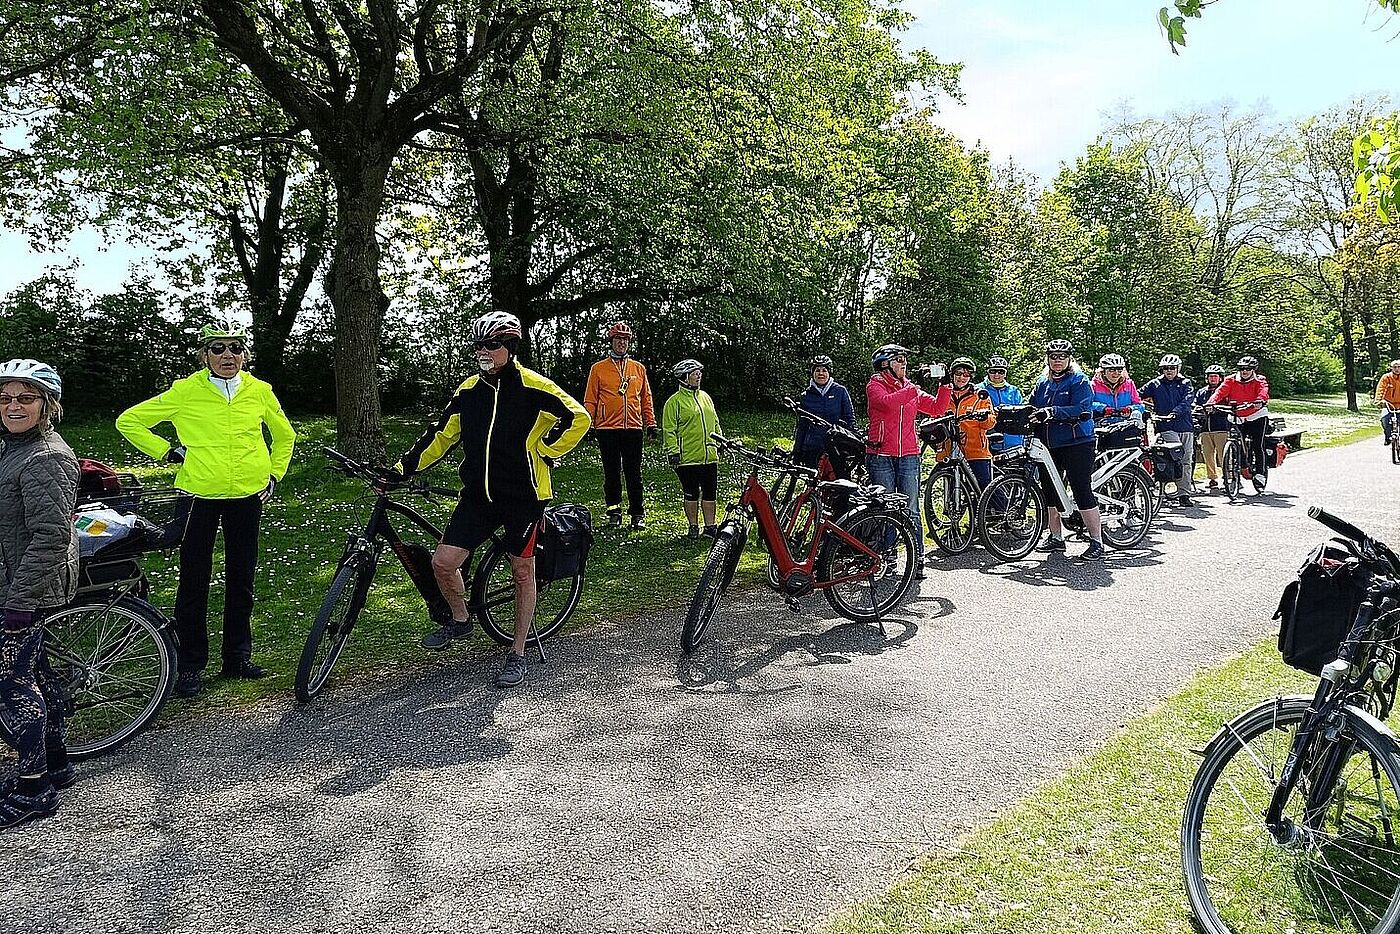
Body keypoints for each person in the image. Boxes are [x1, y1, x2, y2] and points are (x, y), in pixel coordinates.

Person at [391, 311, 589, 689]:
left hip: (523, 498)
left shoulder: (534, 387)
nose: (484, 351)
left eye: (492, 345)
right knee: (443, 562)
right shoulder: (469, 390)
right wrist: (403, 469)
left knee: (521, 571)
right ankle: (462, 620)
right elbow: (440, 436)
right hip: (478, 496)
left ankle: (516, 652)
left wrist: (548, 448)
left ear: (509, 349)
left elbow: (578, 417)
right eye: (479, 345)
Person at [116, 320, 296, 698]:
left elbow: (284, 435)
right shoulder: (186, 391)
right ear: (204, 356)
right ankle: (190, 665)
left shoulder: (259, 390)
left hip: (247, 495)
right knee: (194, 580)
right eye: (218, 348)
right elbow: (129, 420)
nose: (227, 355)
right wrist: (167, 451)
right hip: (197, 494)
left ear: (244, 355)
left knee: (242, 579)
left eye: (234, 348)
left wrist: (273, 475)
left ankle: (237, 658)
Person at [0, 360, 78, 830]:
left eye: (25, 398)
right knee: (37, 674)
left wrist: (18, 603)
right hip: (15, 579)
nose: (13, 406)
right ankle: (57, 762)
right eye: (5, 398)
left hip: (28, 586)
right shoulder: (12, 447)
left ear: (47, 405)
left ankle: (34, 787)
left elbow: (49, 536)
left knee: (12, 686)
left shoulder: (45, 457)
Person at [865, 343, 951, 576]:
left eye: (905, 359)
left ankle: (917, 558)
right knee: (885, 508)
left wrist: (945, 385)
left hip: (909, 455)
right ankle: (888, 558)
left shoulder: (909, 387)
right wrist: (912, 389)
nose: (904, 363)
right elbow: (886, 403)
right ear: (885, 364)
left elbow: (936, 408)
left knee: (911, 508)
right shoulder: (875, 384)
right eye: (899, 359)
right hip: (881, 454)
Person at [1028, 339, 1104, 561]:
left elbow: (1081, 407)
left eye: (1062, 356)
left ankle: (1097, 541)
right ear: (1048, 359)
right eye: (1053, 356)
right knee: (1050, 492)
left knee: (1081, 490)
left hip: (1077, 441)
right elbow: (1032, 405)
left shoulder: (1079, 380)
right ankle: (1056, 537)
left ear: (1069, 358)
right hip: (1049, 443)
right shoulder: (1043, 382)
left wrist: (1051, 412)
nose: (1057, 360)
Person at [583, 321, 657, 529]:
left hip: (633, 428)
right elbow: (591, 399)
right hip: (607, 429)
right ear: (611, 342)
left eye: (625, 340)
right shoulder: (598, 369)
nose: (621, 343)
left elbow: (646, 398)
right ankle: (614, 511)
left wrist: (650, 423)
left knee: (634, 473)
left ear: (629, 343)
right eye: (618, 340)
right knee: (611, 473)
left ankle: (637, 513)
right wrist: (589, 424)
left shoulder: (638, 369)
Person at [661, 359, 721, 540]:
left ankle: (710, 527)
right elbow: (669, 429)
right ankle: (693, 526)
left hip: (709, 456)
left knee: (710, 493)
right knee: (692, 493)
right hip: (687, 457)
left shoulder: (705, 397)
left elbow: (715, 421)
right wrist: (673, 452)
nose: (699, 376)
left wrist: (721, 441)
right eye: (695, 373)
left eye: (699, 373)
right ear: (684, 377)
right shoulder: (674, 402)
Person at [1139, 354, 1196, 506]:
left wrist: (1175, 412)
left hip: (1184, 425)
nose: (1169, 371)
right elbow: (1137, 395)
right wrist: (1142, 409)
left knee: (1186, 460)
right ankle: (1162, 489)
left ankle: (1184, 494)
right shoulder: (1155, 384)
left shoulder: (1185, 383)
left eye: (1172, 368)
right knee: (1175, 455)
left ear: (1178, 368)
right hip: (1165, 427)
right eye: (1165, 368)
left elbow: (1187, 401)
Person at [1208, 355, 1271, 478]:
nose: (1245, 371)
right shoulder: (1230, 380)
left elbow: (1263, 391)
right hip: (1237, 415)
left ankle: (1260, 473)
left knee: (1257, 444)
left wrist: (1259, 400)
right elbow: (1220, 392)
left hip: (1256, 415)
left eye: (1248, 369)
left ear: (1253, 370)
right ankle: (1242, 466)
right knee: (1236, 442)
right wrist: (1211, 403)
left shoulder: (1259, 380)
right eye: (1242, 369)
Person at [792, 355, 855, 469]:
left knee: (840, 481)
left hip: (836, 446)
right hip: (813, 446)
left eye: (824, 370)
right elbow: (802, 426)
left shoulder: (840, 391)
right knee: (813, 483)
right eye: (817, 370)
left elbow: (849, 418)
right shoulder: (805, 396)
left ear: (829, 372)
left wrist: (850, 444)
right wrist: (797, 451)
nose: (821, 373)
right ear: (812, 373)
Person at [946, 357, 996, 489]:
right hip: (951, 451)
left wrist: (984, 417)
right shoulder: (945, 394)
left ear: (971, 377)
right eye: (958, 373)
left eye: (966, 374)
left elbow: (991, 422)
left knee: (985, 488)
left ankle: (1002, 509)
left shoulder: (980, 395)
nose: (962, 378)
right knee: (952, 488)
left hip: (976, 450)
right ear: (952, 375)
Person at [980, 356, 1024, 453]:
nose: (997, 374)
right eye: (993, 371)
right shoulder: (979, 389)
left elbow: (1021, 414)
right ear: (987, 372)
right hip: (987, 442)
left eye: (1001, 372)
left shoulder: (1014, 391)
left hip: (1012, 442)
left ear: (1005, 373)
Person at [1195, 365, 1229, 490]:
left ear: (1220, 378)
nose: (1213, 379)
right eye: (1211, 376)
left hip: (1221, 427)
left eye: (1215, 376)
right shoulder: (1202, 392)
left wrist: (1216, 410)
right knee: (1207, 454)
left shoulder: (1225, 391)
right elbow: (1196, 404)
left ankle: (1228, 477)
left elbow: (1228, 407)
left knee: (1222, 455)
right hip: (1205, 428)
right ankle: (1212, 478)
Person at [1090, 354, 1144, 426]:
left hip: (1124, 425)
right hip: (1101, 425)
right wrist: (1103, 409)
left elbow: (1140, 405)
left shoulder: (1129, 384)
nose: (1116, 373)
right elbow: (1087, 405)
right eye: (1112, 370)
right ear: (1103, 371)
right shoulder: (1093, 385)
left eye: (1119, 369)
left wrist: (1130, 409)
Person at [1376, 359, 1400, 444]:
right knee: (1384, 419)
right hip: (1388, 404)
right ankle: (1388, 436)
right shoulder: (1386, 377)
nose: (1397, 369)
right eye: (1395, 367)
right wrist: (1379, 400)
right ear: (1391, 368)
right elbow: (1381, 389)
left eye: (1399, 367)